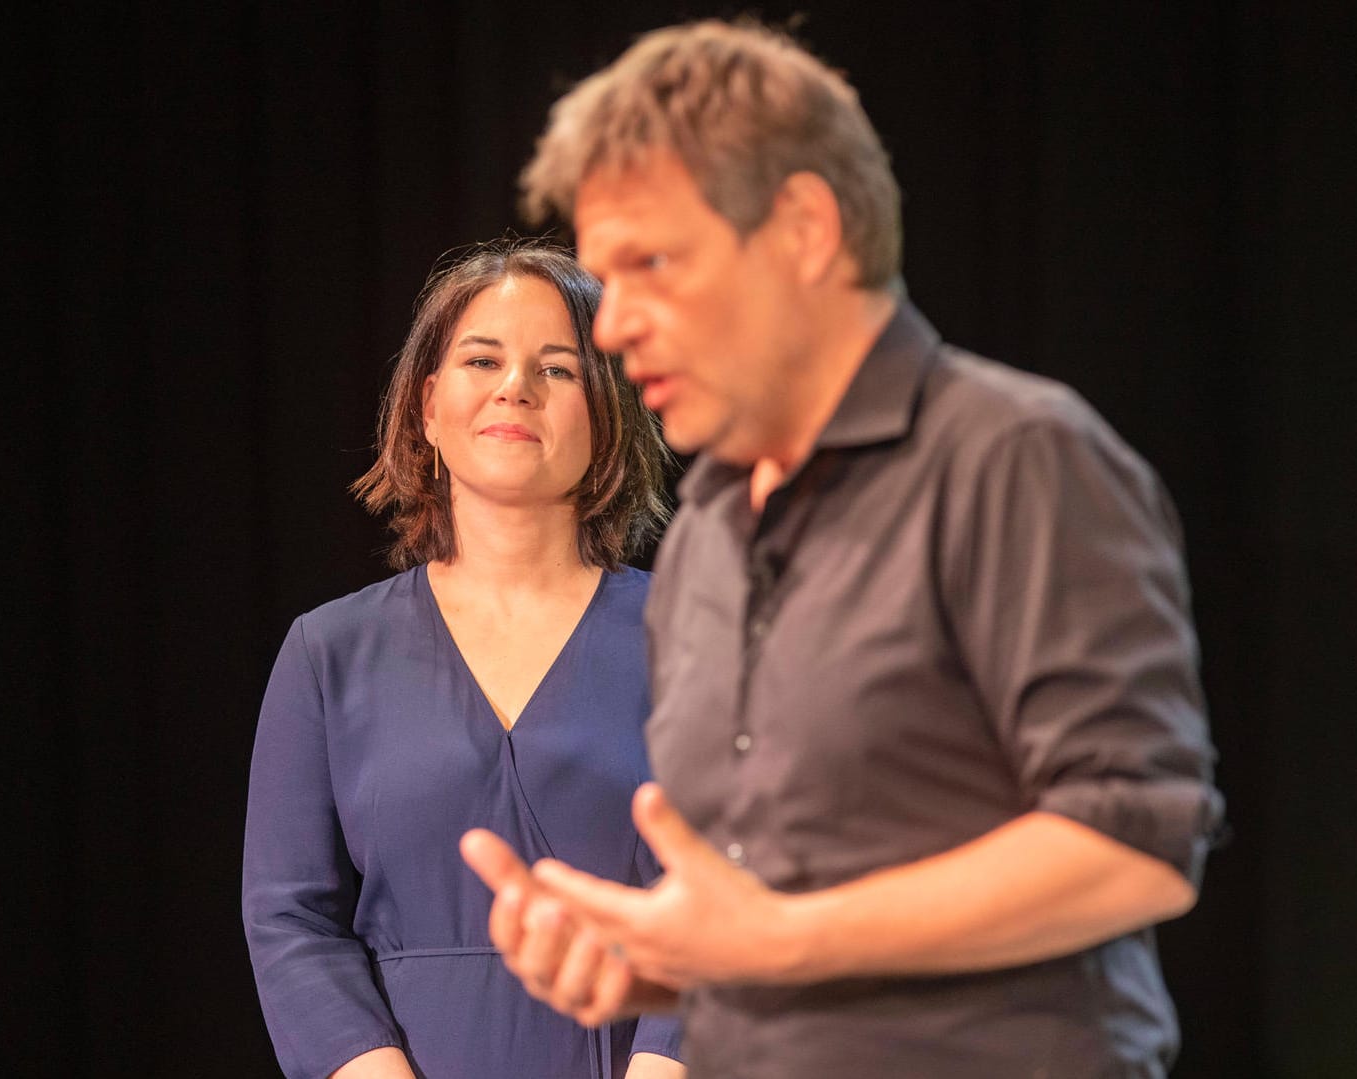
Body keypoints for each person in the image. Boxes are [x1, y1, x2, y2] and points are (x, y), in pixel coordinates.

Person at [461, 20, 1225, 1079]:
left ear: (804, 229)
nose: (612, 326)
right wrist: (662, 962)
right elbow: (777, 899)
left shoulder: (1013, 459)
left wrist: (776, 941)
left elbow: (1132, 843)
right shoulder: (712, 531)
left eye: (651, 263)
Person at [241, 240, 685, 1079]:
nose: (515, 384)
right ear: (427, 408)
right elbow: (290, 918)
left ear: (607, 411)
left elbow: (731, 895)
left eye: (557, 368)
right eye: (483, 358)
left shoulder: (696, 641)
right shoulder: (328, 653)